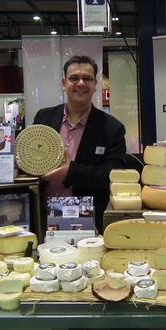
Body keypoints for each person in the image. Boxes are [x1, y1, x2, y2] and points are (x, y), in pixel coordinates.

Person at [34, 55, 127, 234]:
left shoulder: (112, 128)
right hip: (43, 215)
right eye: (74, 78)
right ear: (64, 83)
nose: (81, 83)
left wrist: (71, 172)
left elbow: (115, 174)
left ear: (95, 85)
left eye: (87, 78)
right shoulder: (44, 117)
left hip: (87, 219)